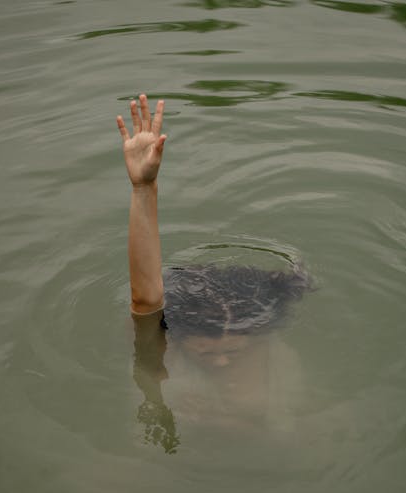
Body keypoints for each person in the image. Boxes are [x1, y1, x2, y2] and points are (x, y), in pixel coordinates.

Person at [116, 95, 310, 452]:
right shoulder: (165, 350)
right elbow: (145, 299)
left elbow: (295, 441)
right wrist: (144, 189)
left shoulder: (276, 362)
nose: (221, 361)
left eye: (233, 352)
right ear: (180, 340)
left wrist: (232, 426)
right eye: (207, 354)